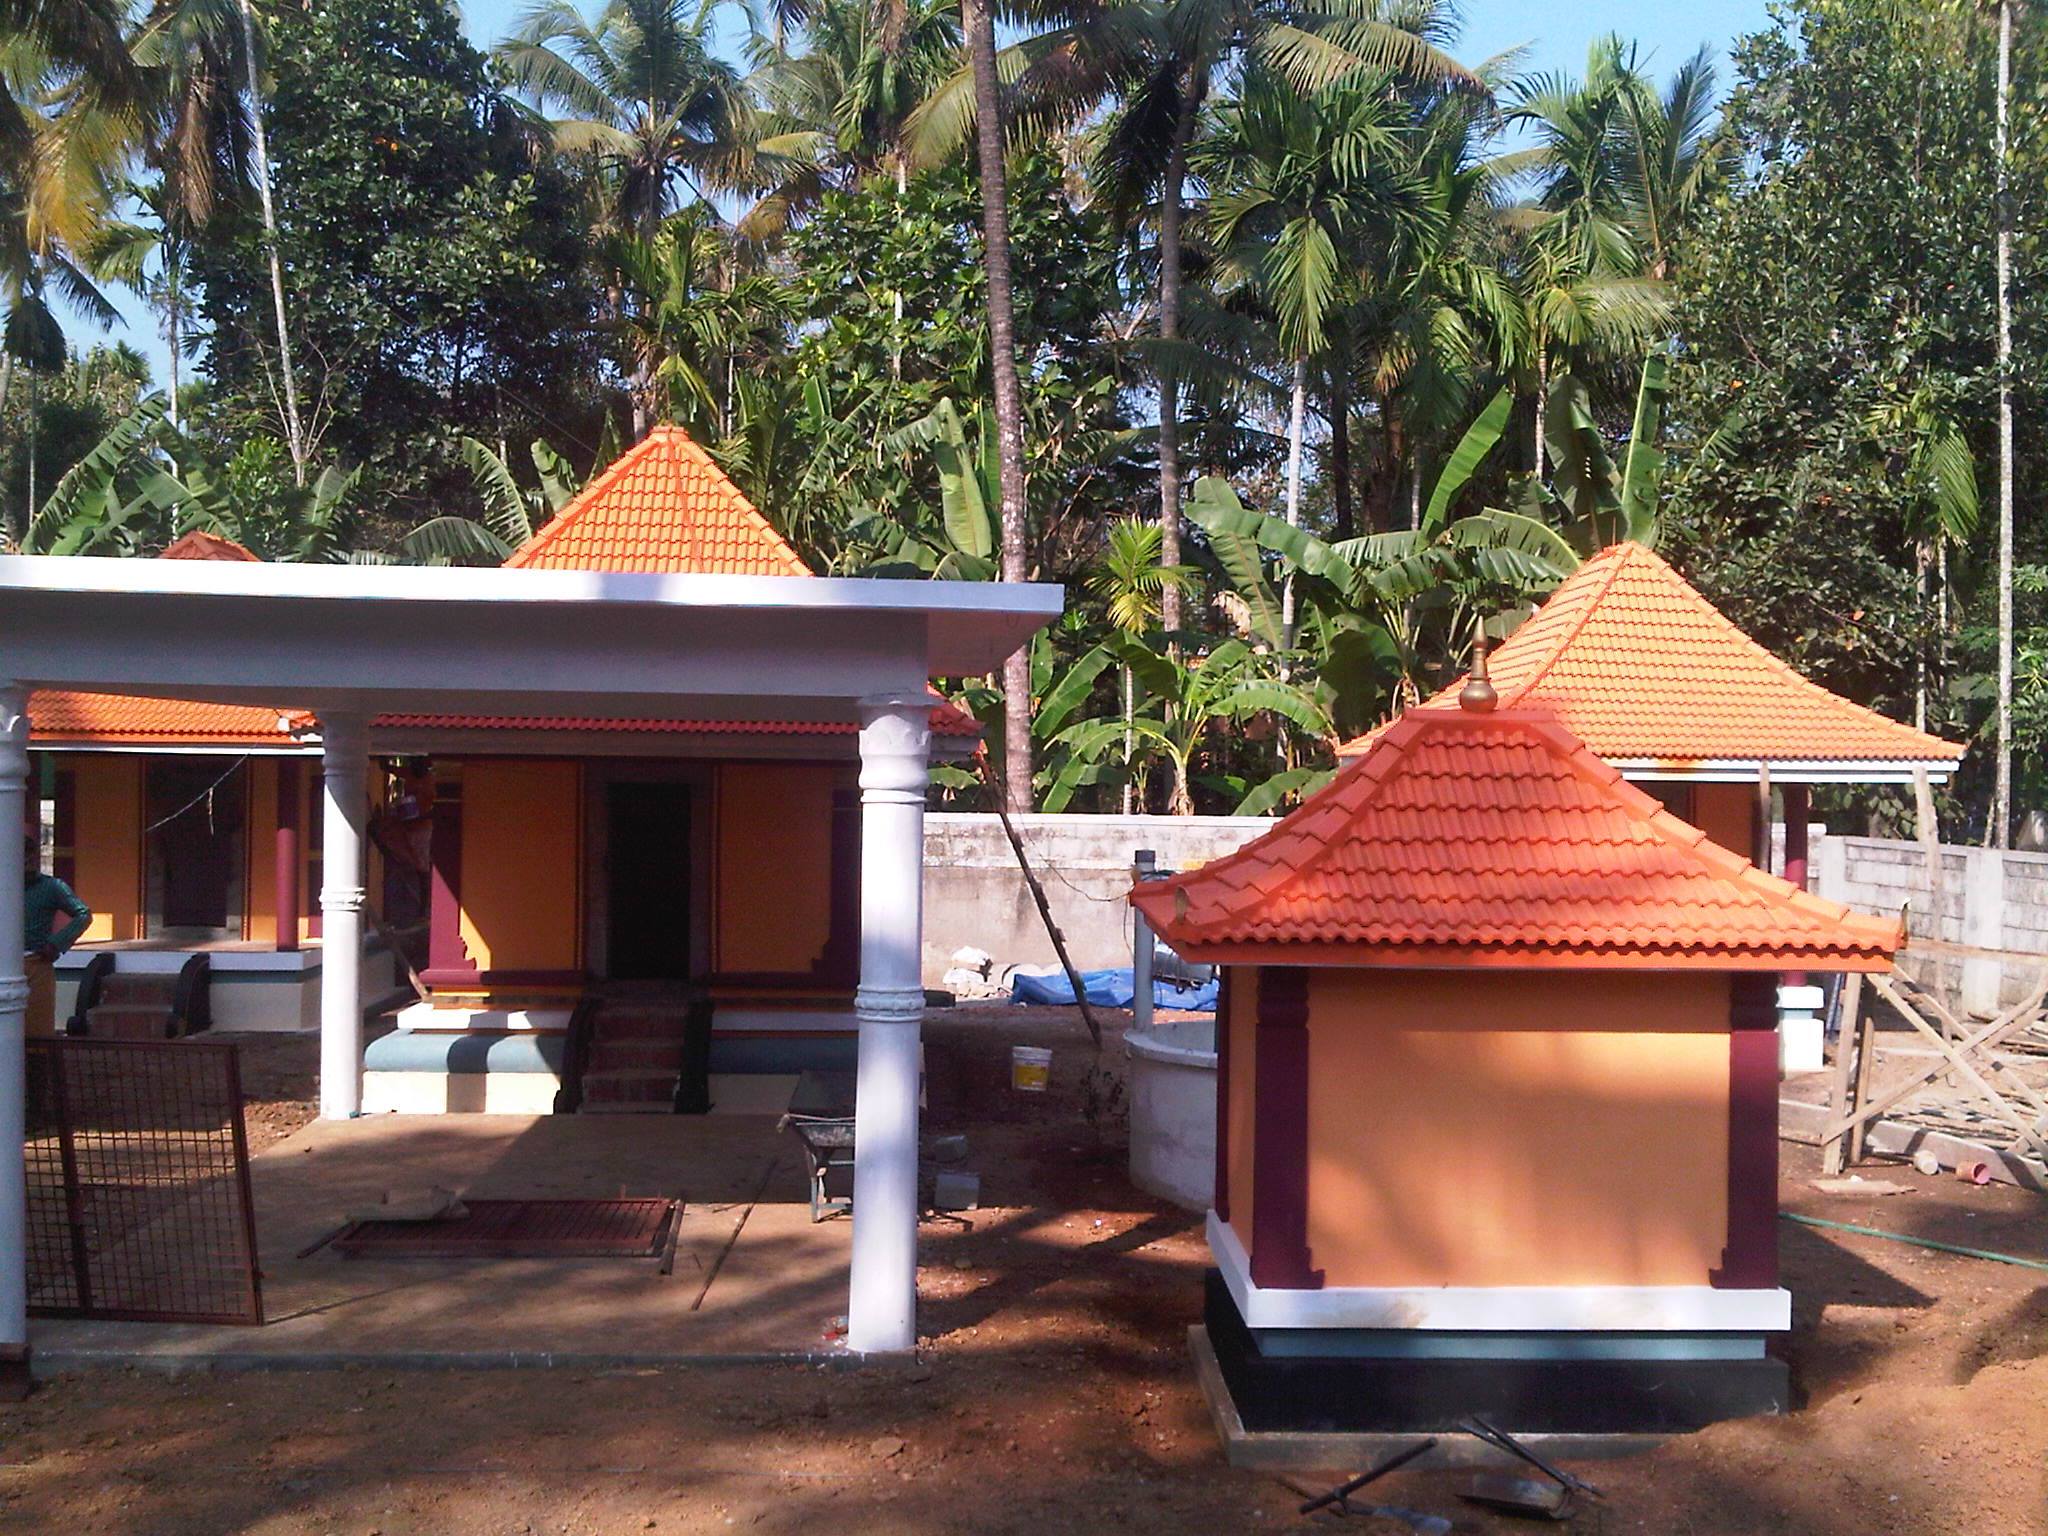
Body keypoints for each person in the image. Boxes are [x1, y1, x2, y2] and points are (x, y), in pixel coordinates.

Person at [23, 829, 92, 1037]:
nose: (26, 859)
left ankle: (39, 1068)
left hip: (36, 962)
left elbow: (83, 914)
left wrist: (56, 943)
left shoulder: (51, 887)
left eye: (30, 853)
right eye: (20, 853)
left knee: (37, 1032)